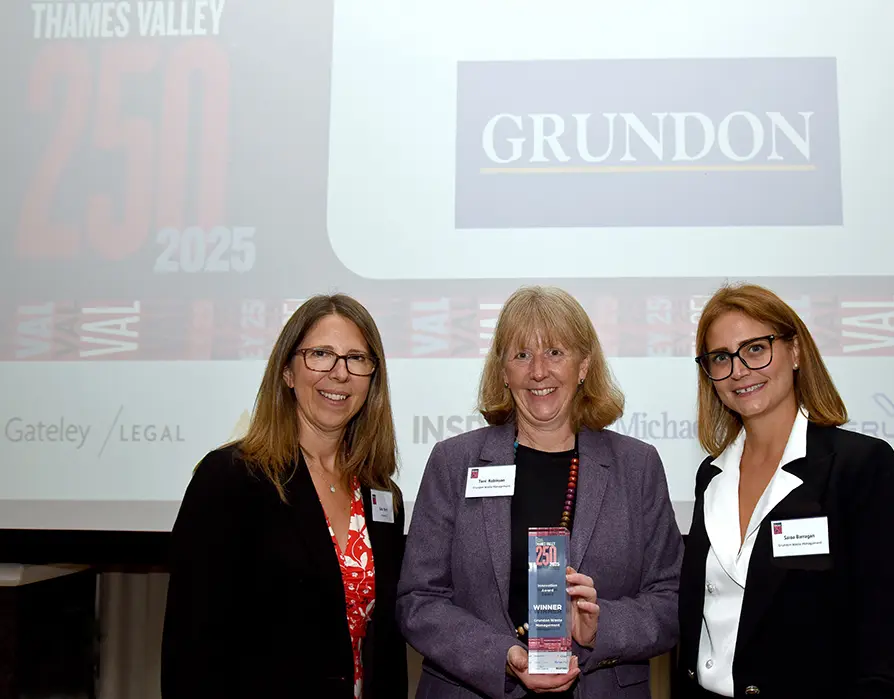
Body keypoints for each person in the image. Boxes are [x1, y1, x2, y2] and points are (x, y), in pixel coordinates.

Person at [397, 285, 684, 699]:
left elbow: (671, 600)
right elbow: (419, 601)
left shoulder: (636, 466)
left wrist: (599, 625)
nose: (538, 372)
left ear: (584, 365)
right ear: (503, 371)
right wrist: (503, 656)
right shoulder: (454, 462)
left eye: (555, 352)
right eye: (521, 355)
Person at [676, 283, 894, 698]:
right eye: (721, 358)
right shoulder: (711, 476)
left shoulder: (860, 467)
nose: (738, 370)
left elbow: (891, 644)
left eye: (755, 349)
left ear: (795, 351)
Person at [160, 294, 408, 699]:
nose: (339, 373)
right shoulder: (230, 478)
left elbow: (385, 649)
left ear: (372, 379)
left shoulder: (383, 495)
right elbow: (190, 647)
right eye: (320, 354)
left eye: (356, 359)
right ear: (288, 372)